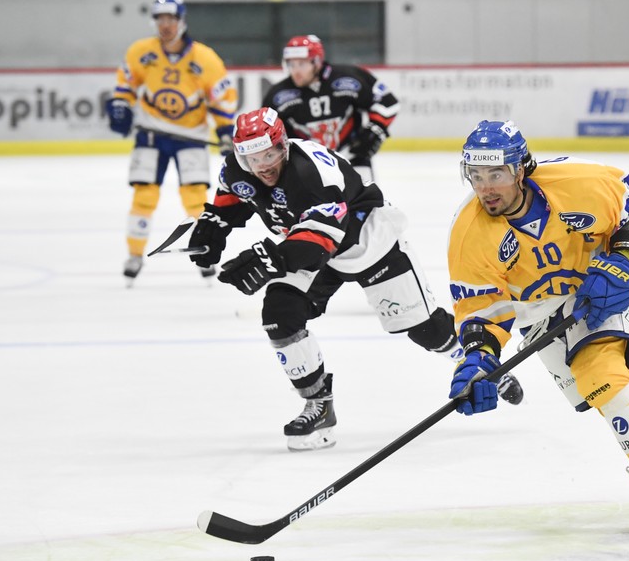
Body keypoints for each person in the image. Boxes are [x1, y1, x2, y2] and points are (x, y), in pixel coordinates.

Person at [446, 120, 629, 534]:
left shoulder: (578, 181)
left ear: (521, 169)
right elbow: (482, 308)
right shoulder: (468, 233)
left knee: (602, 379)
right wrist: (479, 360)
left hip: (600, 286)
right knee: (614, 392)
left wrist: (622, 257)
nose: (486, 188)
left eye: (496, 174)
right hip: (538, 316)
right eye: (477, 177)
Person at [186, 107, 523, 451]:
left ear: (283, 145)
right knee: (279, 313)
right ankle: (319, 405)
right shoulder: (238, 168)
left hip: (367, 242)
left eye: (269, 154)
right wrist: (212, 227)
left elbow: (318, 245)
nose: (262, 165)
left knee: (426, 329)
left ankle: (479, 364)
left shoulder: (311, 171)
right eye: (251, 157)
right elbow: (232, 200)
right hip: (308, 245)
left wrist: (270, 259)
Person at [105, 0, 238, 284]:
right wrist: (120, 105)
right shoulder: (141, 52)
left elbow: (221, 97)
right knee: (144, 195)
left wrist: (225, 131)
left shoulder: (204, 58)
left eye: (171, 19)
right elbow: (126, 85)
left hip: (191, 136)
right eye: (160, 19)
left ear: (182, 21)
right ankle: (135, 255)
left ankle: (203, 251)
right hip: (152, 134)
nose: (165, 25)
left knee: (195, 200)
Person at [261, 34, 398, 183]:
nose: (295, 71)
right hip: (308, 164)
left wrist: (374, 131)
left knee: (366, 203)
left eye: (302, 64)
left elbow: (388, 102)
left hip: (352, 156)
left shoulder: (350, 77)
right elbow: (267, 133)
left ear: (317, 62)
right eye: (291, 64)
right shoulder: (278, 94)